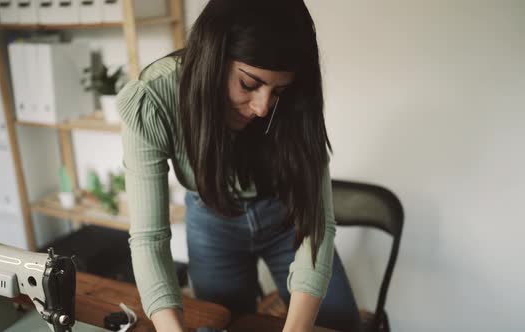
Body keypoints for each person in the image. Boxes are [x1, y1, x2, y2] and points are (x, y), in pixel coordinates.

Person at [117, 0, 361, 331]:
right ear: (212, 58)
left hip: (290, 218)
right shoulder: (153, 99)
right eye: (249, 84)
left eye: (279, 91)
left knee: (339, 325)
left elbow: (317, 226)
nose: (263, 108)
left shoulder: (297, 102)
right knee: (219, 324)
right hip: (211, 221)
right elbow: (149, 238)